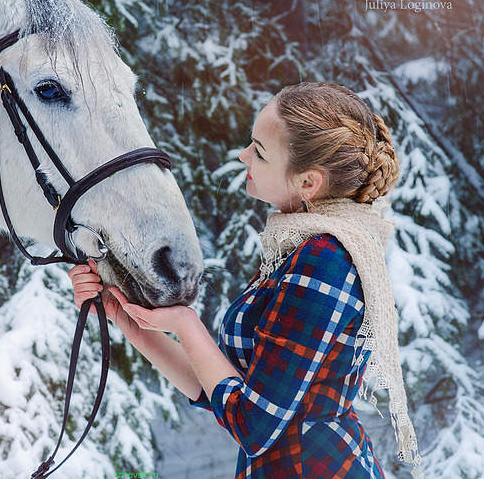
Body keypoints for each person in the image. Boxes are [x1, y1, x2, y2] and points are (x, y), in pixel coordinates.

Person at [68, 82, 422, 479]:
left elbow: (254, 425)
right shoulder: (298, 248)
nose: (243, 155)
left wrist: (185, 323)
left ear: (308, 182)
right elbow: (219, 391)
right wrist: (124, 319)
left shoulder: (325, 259)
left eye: (260, 151)